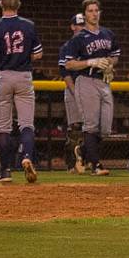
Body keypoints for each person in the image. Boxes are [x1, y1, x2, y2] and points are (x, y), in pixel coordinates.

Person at [0, 0, 44, 184]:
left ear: (1, 3)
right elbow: (38, 54)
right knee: (26, 124)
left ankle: (5, 171)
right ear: (18, 4)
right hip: (24, 76)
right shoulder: (29, 25)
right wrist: (23, 56)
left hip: (4, 76)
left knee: (3, 127)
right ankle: (26, 156)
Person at [63, 0, 119, 177]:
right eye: (90, 11)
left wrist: (110, 64)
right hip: (86, 81)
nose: (94, 14)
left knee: (105, 129)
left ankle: (82, 151)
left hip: (104, 82)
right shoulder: (79, 38)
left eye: (96, 10)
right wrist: (90, 62)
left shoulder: (107, 34)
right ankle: (96, 164)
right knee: (91, 125)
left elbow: (115, 55)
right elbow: (69, 65)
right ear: (85, 14)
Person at [57, 13, 87, 172]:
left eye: (84, 25)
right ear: (72, 26)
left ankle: (85, 160)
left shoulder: (89, 47)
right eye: (79, 25)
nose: (81, 28)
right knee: (75, 128)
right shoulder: (67, 47)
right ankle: (71, 164)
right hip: (73, 89)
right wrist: (76, 92)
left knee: (91, 128)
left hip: (89, 90)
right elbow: (65, 73)